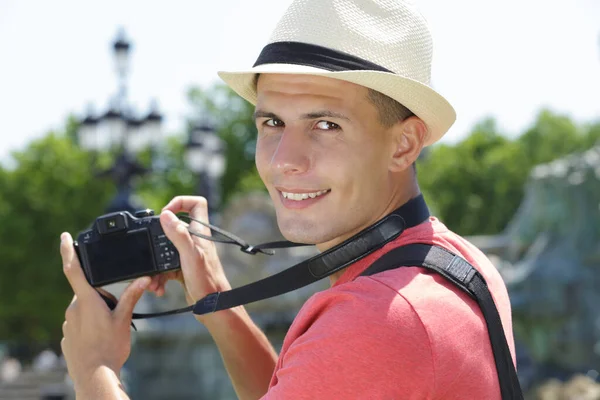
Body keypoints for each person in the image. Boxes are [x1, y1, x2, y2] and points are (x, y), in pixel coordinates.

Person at [59, 0, 516, 398]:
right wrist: (218, 299)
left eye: (326, 125)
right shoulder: (453, 262)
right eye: (272, 123)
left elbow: (354, 358)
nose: (284, 161)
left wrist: (93, 370)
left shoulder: (375, 321)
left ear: (404, 143)